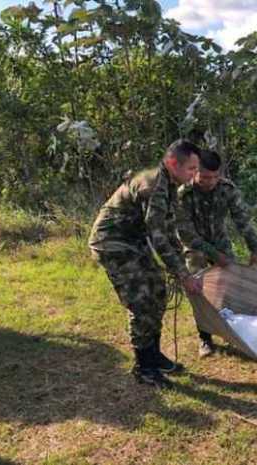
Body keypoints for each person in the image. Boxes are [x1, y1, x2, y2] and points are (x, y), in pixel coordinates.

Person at [88, 139, 203, 389]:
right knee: (142, 300)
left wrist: (180, 264)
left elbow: (168, 231)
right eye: (191, 169)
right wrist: (184, 275)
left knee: (158, 291)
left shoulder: (170, 184)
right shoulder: (154, 185)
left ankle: (154, 355)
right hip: (113, 243)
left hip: (133, 241)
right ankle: (144, 367)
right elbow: (157, 236)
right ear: (173, 163)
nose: (195, 175)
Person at [177, 149, 257, 357]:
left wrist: (254, 247)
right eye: (205, 177)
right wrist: (213, 255)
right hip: (195, 247)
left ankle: (233, 333)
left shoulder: (227, 190)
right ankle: (204, 338)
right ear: (195, 171)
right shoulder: (183, 194)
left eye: (215, 176)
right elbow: (185, 233)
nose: (211, 181)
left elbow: (242, 219)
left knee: (230, 287)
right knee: (198, 290)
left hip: (220, 243)